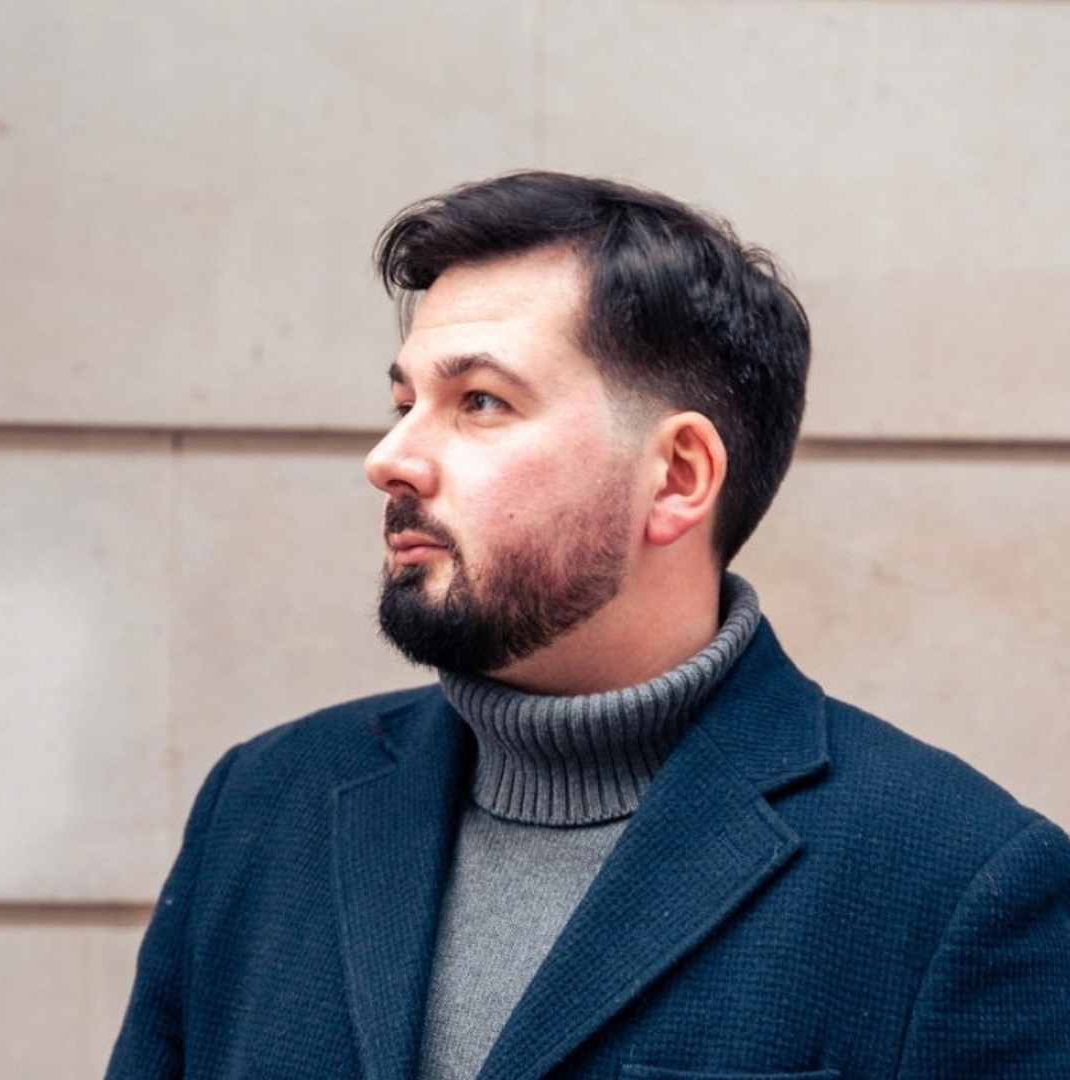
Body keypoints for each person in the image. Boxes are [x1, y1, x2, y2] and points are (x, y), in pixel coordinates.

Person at [107, 172, 1070, 1080]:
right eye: (404, 402)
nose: (390, 457)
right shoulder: (262, 808)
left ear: (679, 476)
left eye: (480, 402)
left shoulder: (962, 882)